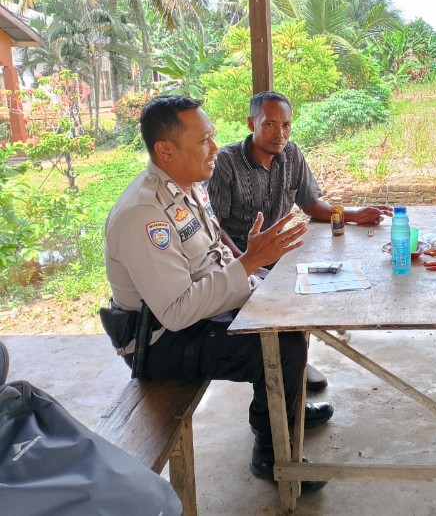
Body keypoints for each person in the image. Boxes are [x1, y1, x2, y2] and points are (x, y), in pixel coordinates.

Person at [104, 95, 333, 495]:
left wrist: (258, 278)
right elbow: (177, 312)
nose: (214, 148)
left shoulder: (188, 186)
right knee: (283, 346)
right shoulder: (143, 213)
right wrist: (249, 265)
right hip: (161, 342)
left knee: (288, 305)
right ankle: (272, 453)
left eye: (211, 137)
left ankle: (283, 412)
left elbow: (217, 257)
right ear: (166, 150)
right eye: (203, 141)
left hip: (200, 313)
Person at [206, 91, 393, 388]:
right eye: (269, 124)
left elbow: (310, 204)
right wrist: (246, 263)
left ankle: (295, 362)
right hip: (236, 257)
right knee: (274, 306)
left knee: (325, 277)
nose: (279, 134)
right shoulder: (226, 162)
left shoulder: (291, 154)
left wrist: (353, 214)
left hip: (278, 251)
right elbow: (214, 226)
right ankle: (283, 368)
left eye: (286, 125)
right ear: (251, 123)